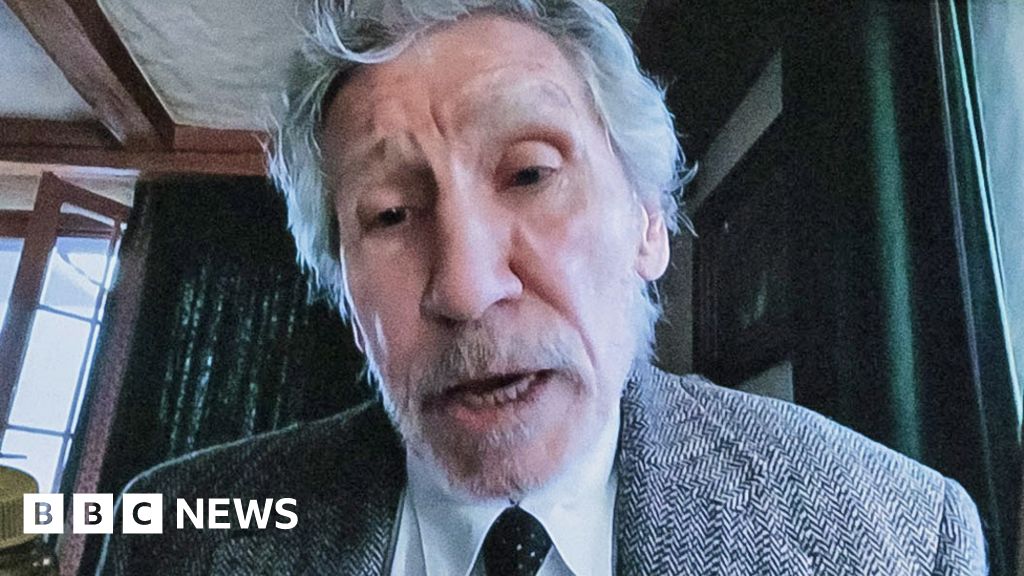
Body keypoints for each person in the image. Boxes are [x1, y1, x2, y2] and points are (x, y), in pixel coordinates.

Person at [99, 0, 987, 574]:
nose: (466, 286)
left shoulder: (896, 538)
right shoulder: (172, 536)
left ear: (647, 222)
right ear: (340, 284)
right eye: (390, 217)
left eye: (528, 174)